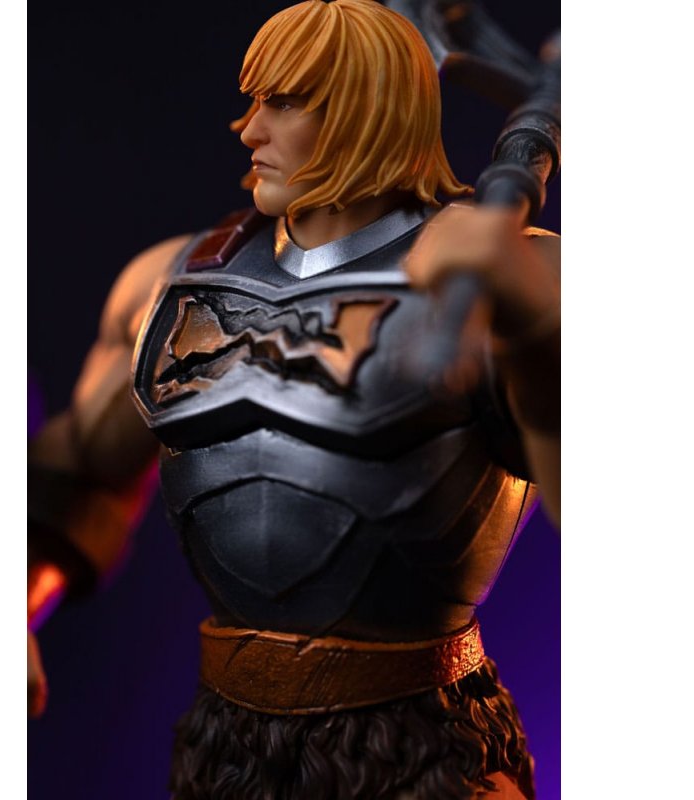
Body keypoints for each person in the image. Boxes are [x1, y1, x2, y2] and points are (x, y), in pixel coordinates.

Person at [28, 1, 560, 798]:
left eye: (284, 103)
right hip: (229, 748)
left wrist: (537, 324)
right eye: (254, 101)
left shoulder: (521, 273)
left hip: (427, 746)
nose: (248, 130)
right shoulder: (172, 282)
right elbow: (75, 476)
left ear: (370, 112)